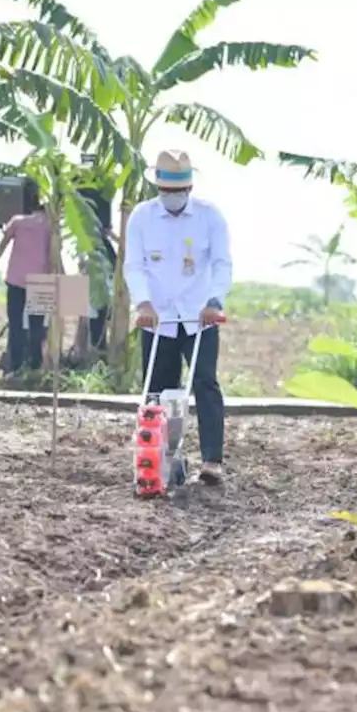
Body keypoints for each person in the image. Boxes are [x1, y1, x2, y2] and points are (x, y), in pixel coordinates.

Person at [123, 150, 232, 485]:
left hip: (200, 316)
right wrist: (142, 304)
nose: (171, 198)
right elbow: (134, 265)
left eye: (177, 192)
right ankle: (165, 457)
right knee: (158, 390)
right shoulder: (142, 217)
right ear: (158, 188)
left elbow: (221, 263)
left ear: (189, 187)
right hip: (157, 319)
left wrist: (214, 301)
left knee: (204, 382)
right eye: (165, 192)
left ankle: (212, 460)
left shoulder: (209, 216)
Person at [0, 178, 50, 373]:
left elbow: (1, 248)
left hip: (16, 279)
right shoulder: (49, 225)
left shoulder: (17, 223)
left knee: (15, 325)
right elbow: (54, 252)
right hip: (41, 281)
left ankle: (15, 366)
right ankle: (35, 365)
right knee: (37, 326)